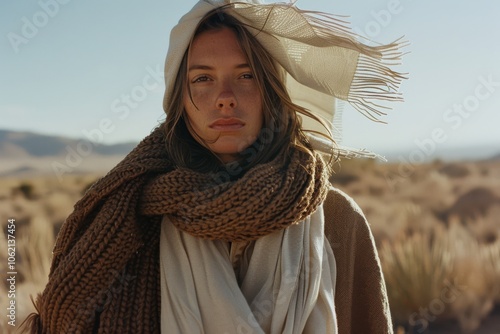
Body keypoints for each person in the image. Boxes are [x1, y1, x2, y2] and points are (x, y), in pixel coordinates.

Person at [24, 0, 406, 333]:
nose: (225, 98)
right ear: (179, 99)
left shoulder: (338, 218)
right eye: (202, 79)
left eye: (246, 76)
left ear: (272, 92)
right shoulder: (132, 220)